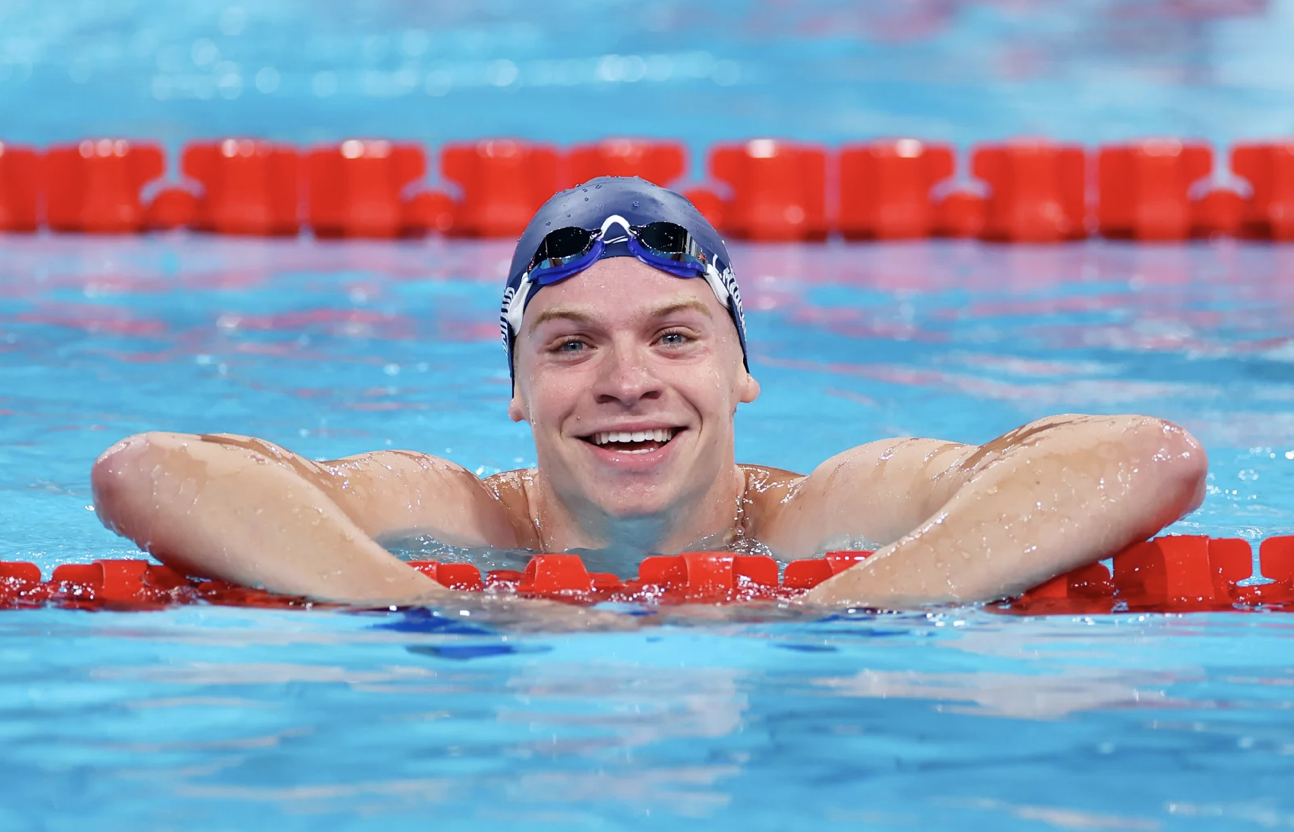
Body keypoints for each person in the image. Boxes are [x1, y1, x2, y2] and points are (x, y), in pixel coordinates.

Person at [90, 177, 1208, 610]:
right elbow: (152, 473)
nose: (628, 383)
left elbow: (1144, 457)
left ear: (740, 370)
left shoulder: (819, 513)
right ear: (518, 394)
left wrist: (825, 608)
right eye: (569, 345)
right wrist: (442, 604)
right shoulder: (461, 518)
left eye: (673, 335)